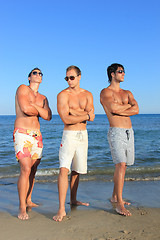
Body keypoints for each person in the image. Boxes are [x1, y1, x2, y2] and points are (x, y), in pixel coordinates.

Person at [53, 65, 95, 222]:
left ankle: (73, 199)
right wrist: (84, 114)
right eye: (66, 78)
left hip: (83, 135)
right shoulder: (62, 95)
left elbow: (92, 117)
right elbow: (66, 119)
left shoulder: (88, 94)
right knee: (64, 169)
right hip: (69, 135)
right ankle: (61, 208)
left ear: (79, 77)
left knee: (77, 170)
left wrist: (74, 112)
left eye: (71, 77)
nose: (69, 80)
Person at [13, 67, 52, 220]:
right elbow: (25, 109)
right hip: (22, 132)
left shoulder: (43, 97)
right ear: (29, 77)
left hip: (37, 135)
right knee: (25, 168)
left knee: (33, 169)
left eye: (40, 73)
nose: (38, 75)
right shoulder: (22, 88)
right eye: (35, 73)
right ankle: (22, 206)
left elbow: (48, 116)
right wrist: (39, 109)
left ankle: (28, 200)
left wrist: (34, 106)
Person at [100, 63, 139, 216]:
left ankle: (115, 196)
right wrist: (126, 107)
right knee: (120, 165)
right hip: (116, 131)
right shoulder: (105, 92)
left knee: (125, 166)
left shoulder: (127, 92)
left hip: (129, 131)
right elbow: (113, 109)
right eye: (120, 71)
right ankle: (119, 204)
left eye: (124, 71)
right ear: (112, 74)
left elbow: (136, 109)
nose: (123, 74)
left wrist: (120, 108)